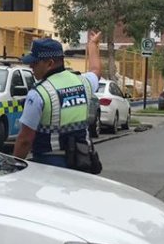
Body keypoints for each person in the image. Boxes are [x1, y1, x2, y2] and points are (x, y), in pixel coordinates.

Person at [12, 37, 100, 168]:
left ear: (49, 63)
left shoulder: (38, 94)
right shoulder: (83, 82)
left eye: (35, 62)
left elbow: (25, 140)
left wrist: (14, 166)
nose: (31, 66)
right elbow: (96, 70)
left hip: (49, 166)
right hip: (82, 162)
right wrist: (92, 45)